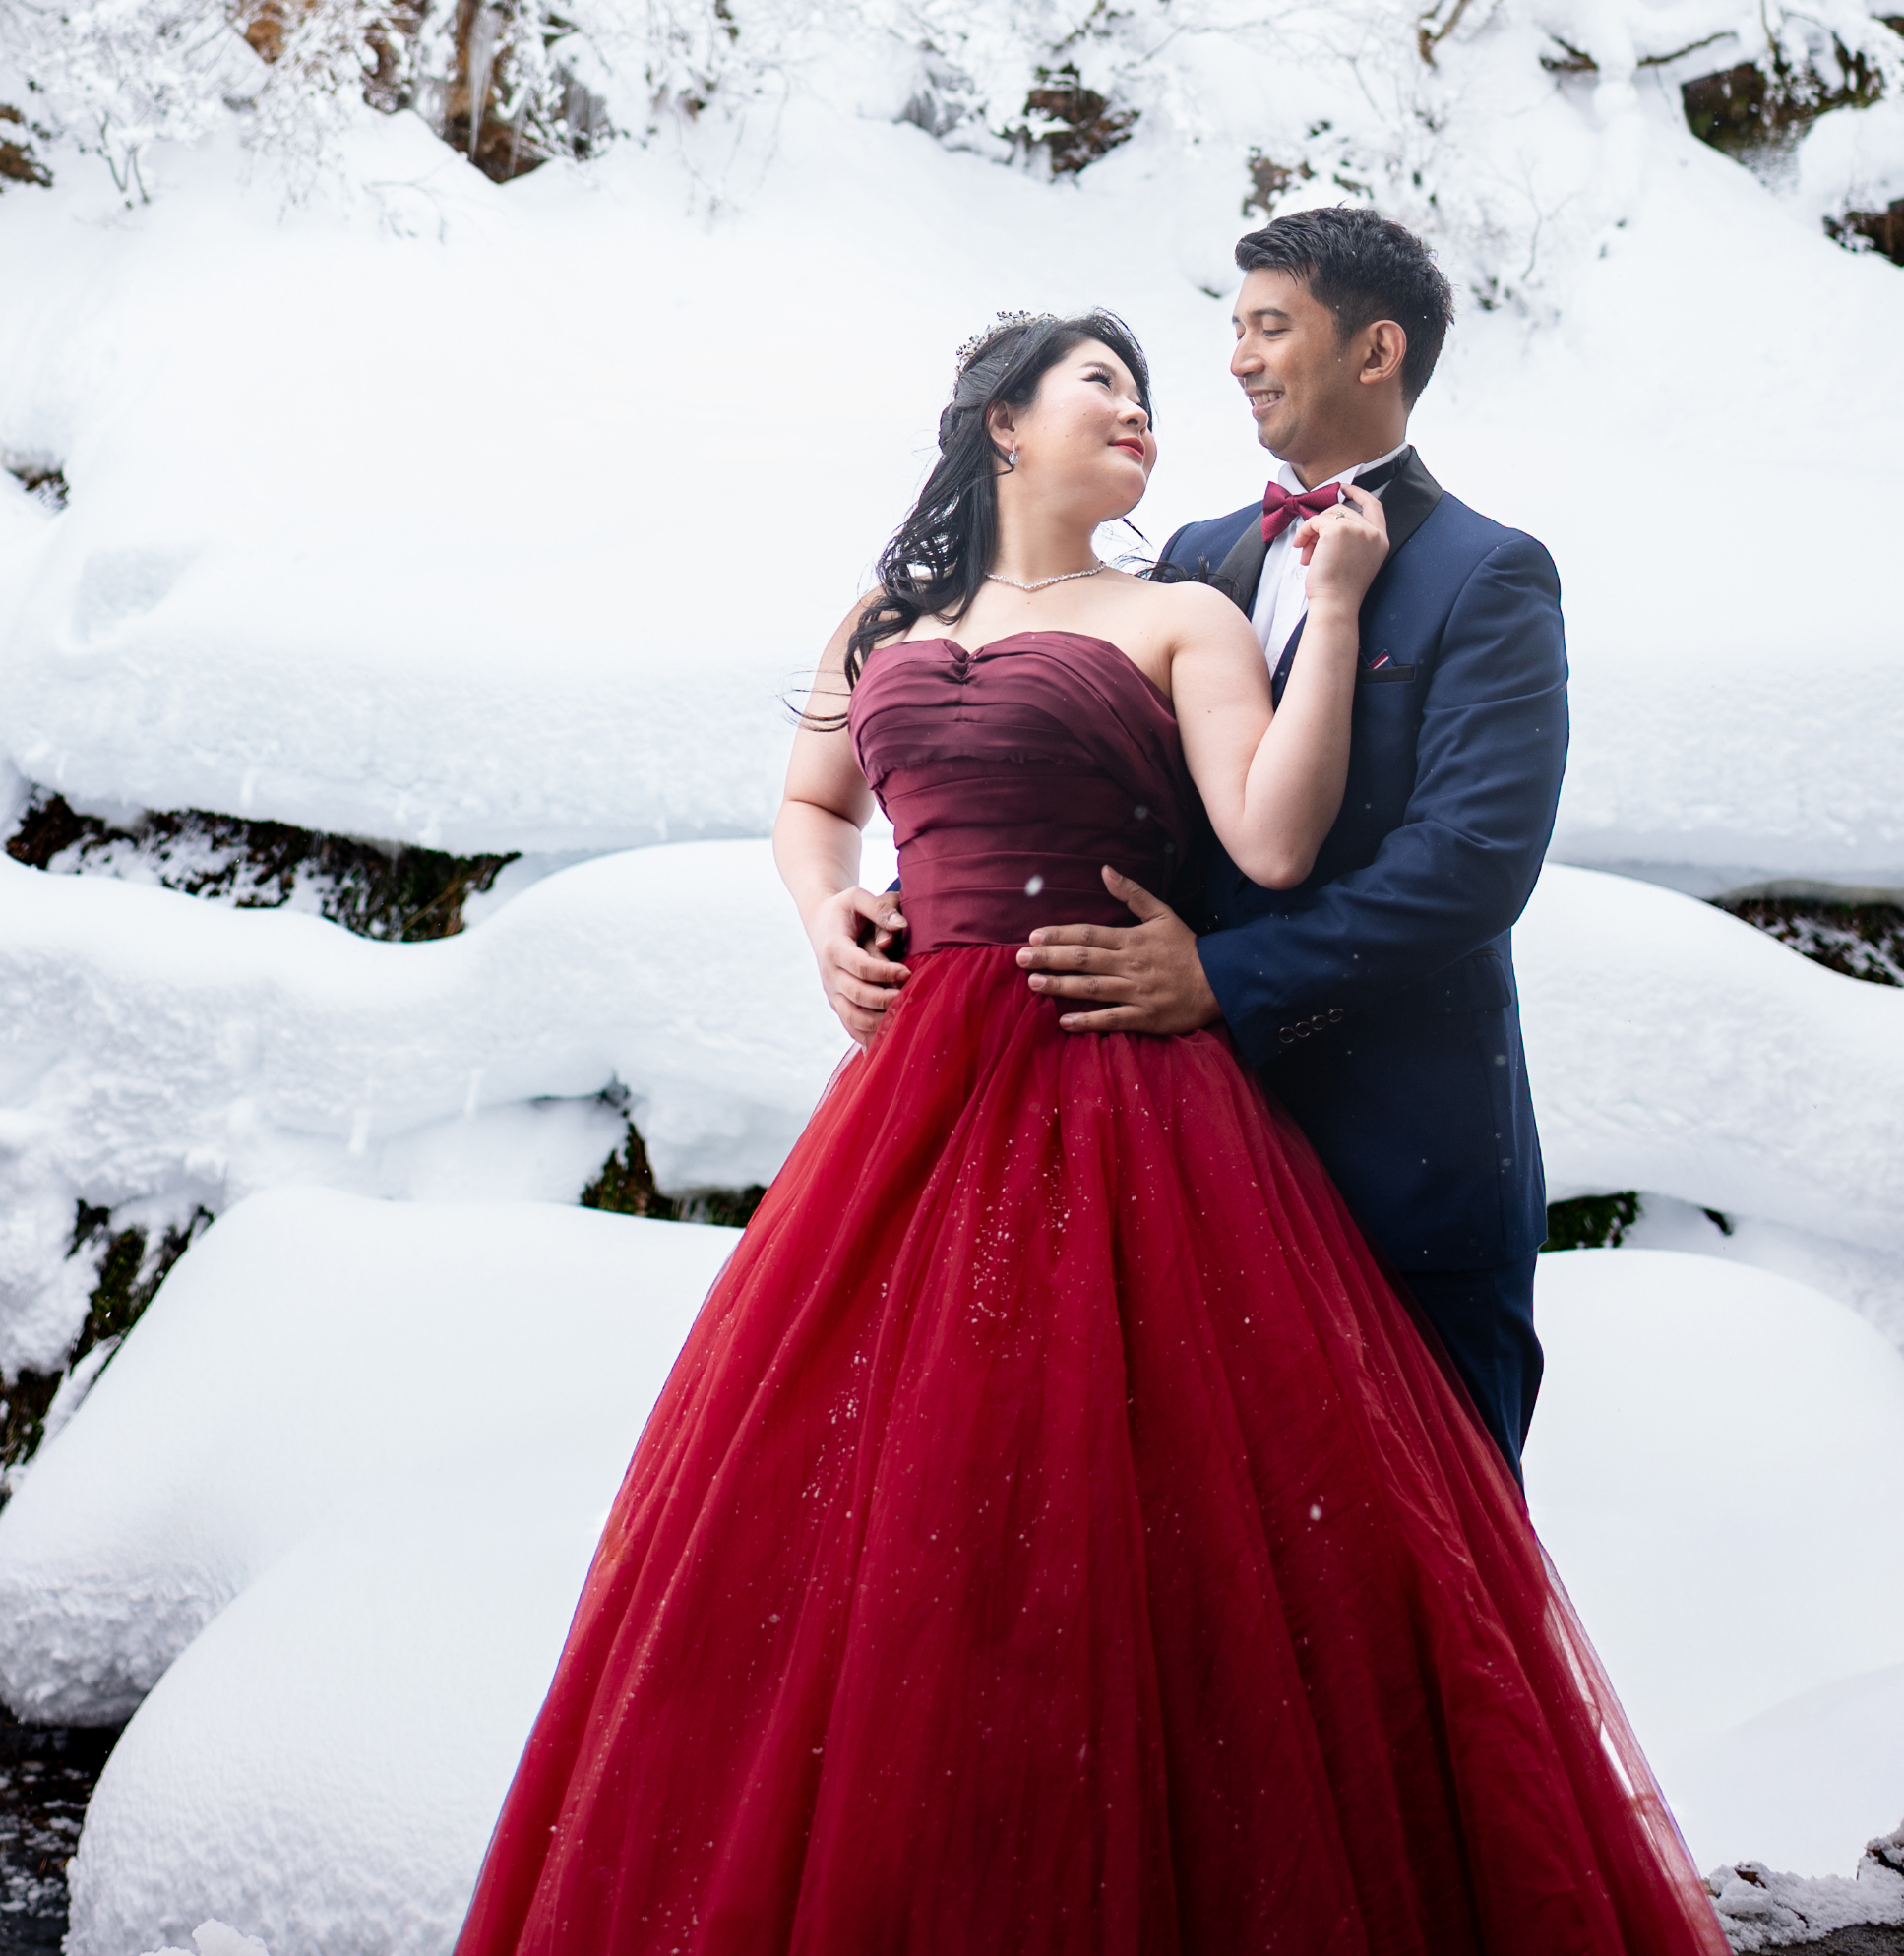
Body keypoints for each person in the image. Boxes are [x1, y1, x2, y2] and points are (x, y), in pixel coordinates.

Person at [456, 308, 1721, 1956]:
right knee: (881, 1512)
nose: (1142, 411)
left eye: (1149, 391)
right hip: (914, 1101)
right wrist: (826, 912)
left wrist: (1329, 613)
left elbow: (1270, 844)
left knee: (1119, 1518)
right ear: (1000, 424)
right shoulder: (883, 614)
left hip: (1125, 1079)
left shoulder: (1186, 607)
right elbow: (809, 801)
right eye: (1099, 383)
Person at [1021, 205, 1564, 1471]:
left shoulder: (1490, 575)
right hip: (1185, 1151)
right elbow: (1090, 777)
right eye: (1234, 328)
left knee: (1437, 1568)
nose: (1237, 359)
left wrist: (1220, 979)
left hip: (1401, 1164)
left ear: (1375, 352)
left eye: (1270, 326)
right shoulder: (1199, 557)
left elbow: (1472, 864)